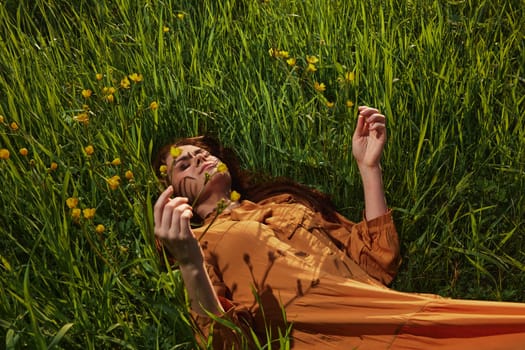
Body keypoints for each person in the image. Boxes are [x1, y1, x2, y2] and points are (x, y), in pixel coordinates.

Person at [153, 106, 525, 349]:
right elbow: (227, 343)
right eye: (182, 165)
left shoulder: (283, 204)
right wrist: (187, 261)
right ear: (172, 193)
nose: (197, 157)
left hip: (387, 313)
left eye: (200, 151)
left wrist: (369, 168)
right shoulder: (196, 242)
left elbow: (378, 260)